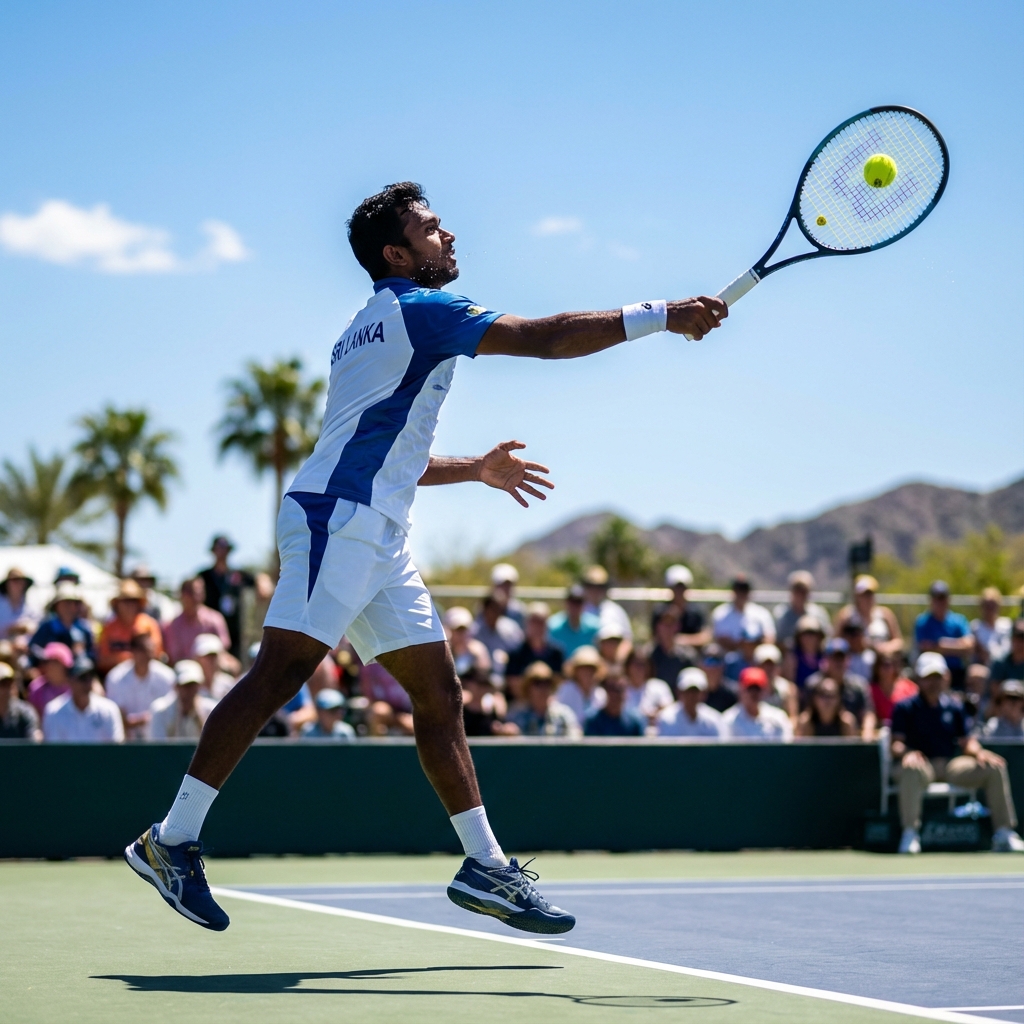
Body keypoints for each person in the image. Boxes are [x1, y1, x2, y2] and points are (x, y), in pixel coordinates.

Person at [124, 180, 727, 934]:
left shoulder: (365, 327)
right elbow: (541, 337)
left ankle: (486, 867)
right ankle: (171, 840)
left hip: (377, 529)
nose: (449, 238)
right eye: (432, 230)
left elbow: (381, 448)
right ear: (396, 253)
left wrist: (472, 468)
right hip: (337, 521)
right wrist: (664, 316)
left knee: (439, 697)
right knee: (279, 672)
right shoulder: (420, 310)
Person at [891, 652, 1024, 854]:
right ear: (919, 679)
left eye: (937, 677)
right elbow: (896, 744)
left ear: (946, 678)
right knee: (911, 769)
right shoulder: (905, 707)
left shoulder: (954, 706)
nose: (933, 683)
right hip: (921, 765)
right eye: (928, 678)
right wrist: (907, 754)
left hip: (951, 764)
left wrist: (979, 753)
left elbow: (966, 741)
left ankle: (1004, 832)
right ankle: (910, 833)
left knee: (994, 766)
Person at [104, 632, 175, 739]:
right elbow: (115, 718)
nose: (147, 655)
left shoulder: (167, 677)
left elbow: (171, 714)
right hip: (126, 745)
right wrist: (144, 719)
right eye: (142, 650)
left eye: (150, 650)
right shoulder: (116, 678)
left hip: (158, 744)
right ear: (132, 651)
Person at [199, 536, 260, 659]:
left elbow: (257, 580)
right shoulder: (204, 576)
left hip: (234, 632)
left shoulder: (237, 574)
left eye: (225, 549)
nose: (222, 552)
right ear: (213, 551)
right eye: (219, 548)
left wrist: (263, 585)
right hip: (210, 630)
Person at [805, 638, 876, 739]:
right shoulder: (813, 684)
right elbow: (806, 714)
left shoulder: (858, 686)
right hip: (817, 734)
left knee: (847, 719)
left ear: (848, 660)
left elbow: (868, 713)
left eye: (841, 658)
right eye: (834, 658)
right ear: (826, 659)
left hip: (850, 735)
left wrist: (867, 734)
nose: (838, 662)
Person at [42, 658, 123, 743]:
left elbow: (115, 749)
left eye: (90, 677)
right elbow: (54, 752)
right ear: (70, 680)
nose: (87, 683)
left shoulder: (109, 709)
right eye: (82, 677)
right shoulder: (54, 711)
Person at [96, 580, 163, 676]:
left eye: (133, 601)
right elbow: (102, 659)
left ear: (139, 604)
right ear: (117, 604)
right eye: (125, 601)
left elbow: (157, 654)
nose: (129, 605)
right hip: (116, 678)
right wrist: (132, 658)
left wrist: (123, 658)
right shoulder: (109, 628)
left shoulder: (149, 625)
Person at [914, 581, 973, 690]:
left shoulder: (959, 621)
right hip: (930, 672)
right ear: (931, 600)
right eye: (936, 598)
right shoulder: (922, 622)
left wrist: (941, 645)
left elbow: (969, 646)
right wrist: (957, 646)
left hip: (956, 671)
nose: (940, 602)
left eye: (943, 598)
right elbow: (924, 648)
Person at [163, 578, 233, 667]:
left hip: (213, 669)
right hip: (186, 672)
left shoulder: (215, 619)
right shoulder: (174, 625)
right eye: (191, 593)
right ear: (182, 595)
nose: (196, 598)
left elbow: (224, 650)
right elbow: (174, 658)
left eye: (199, 593)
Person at [28, 581, 96, 666]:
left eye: (74, 603)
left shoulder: (84, 628)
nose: (70, 607)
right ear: (56, 606)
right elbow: (34, 648)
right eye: (66, 603)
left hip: (77, 674)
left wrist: (82, 653)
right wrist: (50, 657)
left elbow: (92, 655)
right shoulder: (47, 627)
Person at [833, 575, 902, 658]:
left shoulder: (885, 615)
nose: (867, 599)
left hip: (881, 665)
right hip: (854, 662)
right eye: (863, 595)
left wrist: (884, 648)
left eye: (870, 594)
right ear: (856, 597)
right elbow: (834, 642)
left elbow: (898, 641)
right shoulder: (846, 616)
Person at [505, 602, 564, 696]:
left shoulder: (556, 653)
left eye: (541, 622)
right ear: (526, 624)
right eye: (534, 621)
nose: (537, 626)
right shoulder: (515, 654)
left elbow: (558, 684)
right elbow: (514, 686)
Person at [149, 661, 218, 740]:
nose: (188, 691)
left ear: (199, 686)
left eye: (192, 685)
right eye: (184, 686)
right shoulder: (160, 712)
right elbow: (159, 748)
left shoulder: (211, 712)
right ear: (176, 686)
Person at [508, 661, 580, 737]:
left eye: (547, 683)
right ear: (528, 689)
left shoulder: (563, 715)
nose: (543, 688)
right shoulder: (517, 717)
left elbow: (575, 741)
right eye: (537, 683)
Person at [721, 667, 793, 741]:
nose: (754, 694)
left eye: (757, 688)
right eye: (750, 688)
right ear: (741, 690)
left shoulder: (778, 718)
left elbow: (786, 747)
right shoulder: (728, 720)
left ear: (764, 691)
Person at [711, 575, 776, 650]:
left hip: (757, 656)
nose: (741, 593)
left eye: (744, 590)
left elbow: (769, 638)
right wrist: (741, 646)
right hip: (729, 655)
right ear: (733, 591)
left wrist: (753, 646)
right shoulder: (720, 613)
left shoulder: (761, 613)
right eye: (738, 590)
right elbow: (721, 639)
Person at [656, 667, 724, 738]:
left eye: (695, 691)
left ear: (704, 693)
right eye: (687, 691)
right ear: (679, 692)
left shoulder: (714, 720)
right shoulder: (666, 719)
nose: (691, 696)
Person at [652, 564, 709, 646]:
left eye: (682, 587)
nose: (679, 591)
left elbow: (704, 637)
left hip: (691, 656)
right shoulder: (660, 611)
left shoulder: (696, 612)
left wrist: (680, 641)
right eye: (676, 588)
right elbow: (655, 637)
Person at [773, 570, 831, 650]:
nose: (800, 594)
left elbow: (826, 640)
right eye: (797, 589)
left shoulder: (819, 614)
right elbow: (776, 641)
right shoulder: (780, 614)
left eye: (803, 590)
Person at [555, 645, 606, 725]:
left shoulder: (601, 694)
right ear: (576, 671)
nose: (587, 672)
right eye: (583, 668)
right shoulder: (566, 690)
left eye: (590, 669)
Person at [470, 594, 524, 671]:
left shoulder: (511, 628)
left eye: (497, 609)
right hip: (482, 675)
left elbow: (519, 650)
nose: (494, 613)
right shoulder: (475, 630)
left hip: (508, 672)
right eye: (491, 609)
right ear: (484, 610)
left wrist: (508, 657)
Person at [647, 608, 694, 695]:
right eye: (665, 624)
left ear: (678, 626)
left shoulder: (687, 656)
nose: (668, 628)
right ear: (657, 626)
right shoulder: (648, 655)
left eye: (672, 623)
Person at [581, 565, 632, 642]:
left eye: (600, 587)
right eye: (591, 586)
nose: (595, 591)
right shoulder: (579, 610)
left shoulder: (616, 611)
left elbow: (627, 638)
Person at [546, 584, 600, 657]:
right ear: (566, 603)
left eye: (578, 602)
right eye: (572, 602)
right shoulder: (553, 626)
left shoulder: (595, 627)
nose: (574, 606)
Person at [622, 648, 674, 723]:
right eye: (636, 664)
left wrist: (657, 714)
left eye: (643, 665)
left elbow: (671, 710)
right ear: (628, 666)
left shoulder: (659, 687)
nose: (639, 668)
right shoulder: (619, 688)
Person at [868, 651, 918, 727]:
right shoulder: (870, 690)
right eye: (882, 665)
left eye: (889, 665)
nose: (886, 669)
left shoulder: (909, 687)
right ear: (876, 668)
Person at [26, 641, 74, 718]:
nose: (45, 665)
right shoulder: (36, 688)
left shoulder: (77, 687)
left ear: (63, 665)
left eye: (49, 662)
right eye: (45, 661)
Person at [754, 643, 798, 721]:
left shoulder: (788, 689)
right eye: (764, 665)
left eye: (771, 665)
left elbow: (792, 718)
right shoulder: (748, 689)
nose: (768, 669)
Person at [971, 587, 1012, 666]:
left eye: (993, 605)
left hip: (1006, 666)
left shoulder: (1007, 625)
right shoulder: (975, 627)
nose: (990, 608)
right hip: (984, 666)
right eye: (987, 605)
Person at [786, 614, 825, 695]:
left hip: (822, 695)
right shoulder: (793, 657)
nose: (809, 637)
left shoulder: (825, 655)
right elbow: (790, 683)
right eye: (805, 634)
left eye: (813, 633)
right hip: (801, 697)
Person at [0, 662, 41, 740]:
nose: (6, 689)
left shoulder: (24, 711)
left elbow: (33, 740)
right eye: (2, 684)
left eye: (9, 683)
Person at [701, 643, 737, 714]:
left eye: (717, 661)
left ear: (723, 666)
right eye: (709, 661)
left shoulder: (732, 694)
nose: (713, 667)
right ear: (701, 665)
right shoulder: (693, 691)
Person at [489, 563, 526, 627]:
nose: (505, 589)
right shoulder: (484, 610)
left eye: (508, 585)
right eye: (501, 585)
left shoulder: (520, 611)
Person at [991, 619, 1024, 685]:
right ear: (1011, 638)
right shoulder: (1000, 662)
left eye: (1023, 638)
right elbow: (995, 691)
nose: (1020, 643)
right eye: (1017, 638)